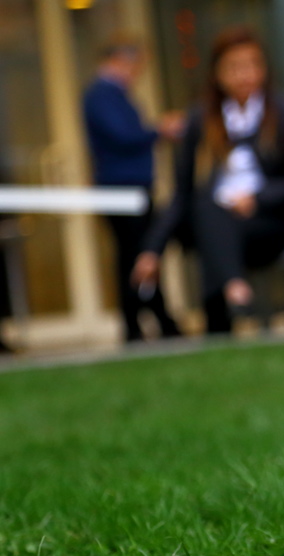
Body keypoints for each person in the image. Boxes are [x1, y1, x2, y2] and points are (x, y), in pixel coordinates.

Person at [133, 27, 284, 334]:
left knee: (210, 221)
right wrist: (152, 250)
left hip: (267, 223)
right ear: (217, 74)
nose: (244, 75)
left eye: (251, 65)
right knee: (208, 206)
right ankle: (235, 287)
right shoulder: (200, 120)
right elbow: (182, 193)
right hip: (215, 221)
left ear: (263, 69)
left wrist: (258, 198)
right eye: (234, 67)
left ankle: (221, 318)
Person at [83, 35, 182, 342]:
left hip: (133, 189)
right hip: (121, 191)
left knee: (139, 256)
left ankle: (149, 324)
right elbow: (123, 137)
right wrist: (159, 129)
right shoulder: (101, 95)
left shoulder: (116, 94)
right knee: (136, 257)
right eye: (135, 65)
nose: (137, 73)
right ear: (119, 61)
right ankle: (146, 325)